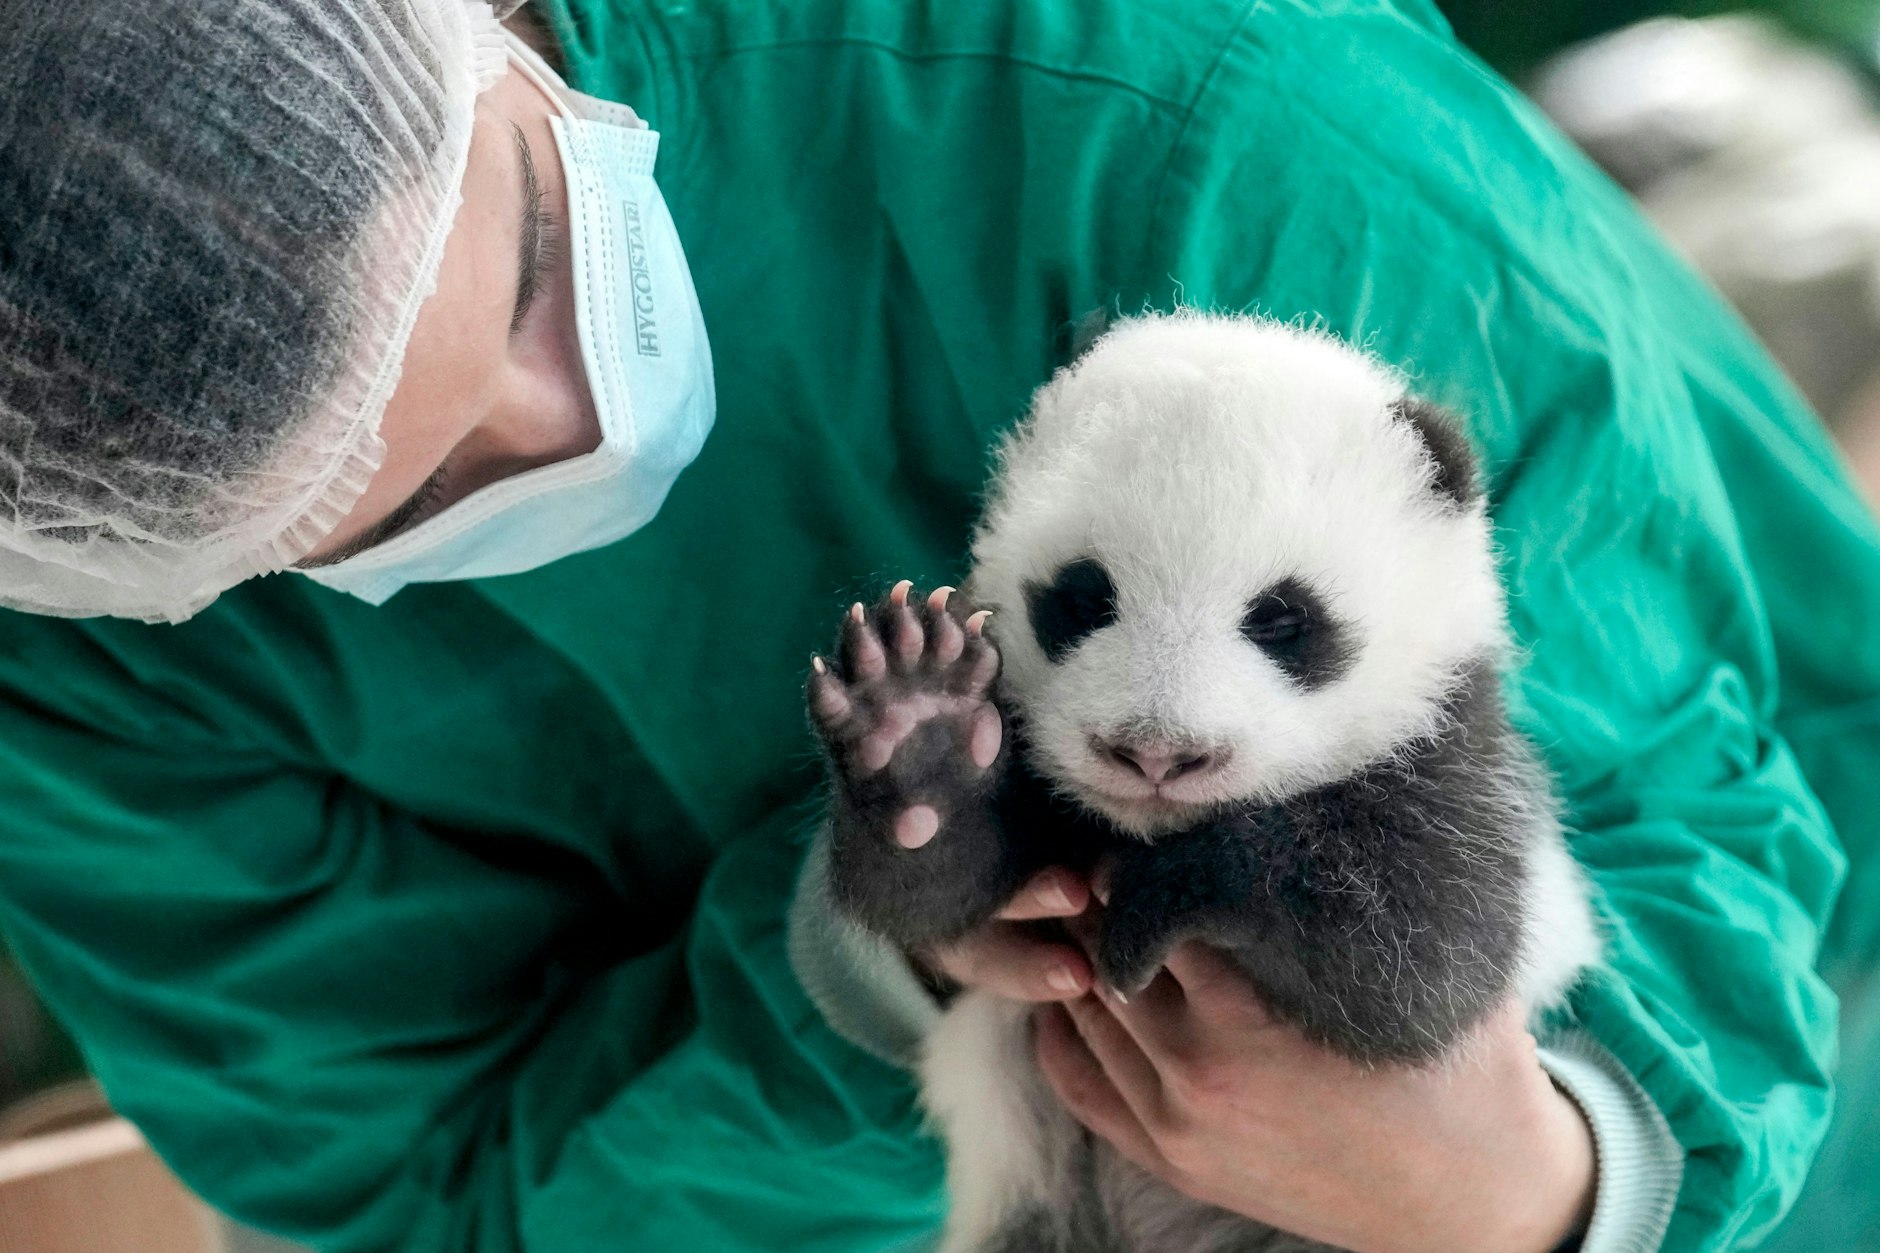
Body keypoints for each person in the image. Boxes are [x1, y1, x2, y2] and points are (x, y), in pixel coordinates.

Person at [0, 0, 1872, 1250]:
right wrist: (876, 962)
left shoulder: (1150, 104)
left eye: (537, 266)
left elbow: (1683, 797)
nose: (566, 429)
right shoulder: (84, 673)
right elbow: (437, 1209)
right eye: (398, 511)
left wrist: (1545, 1177)